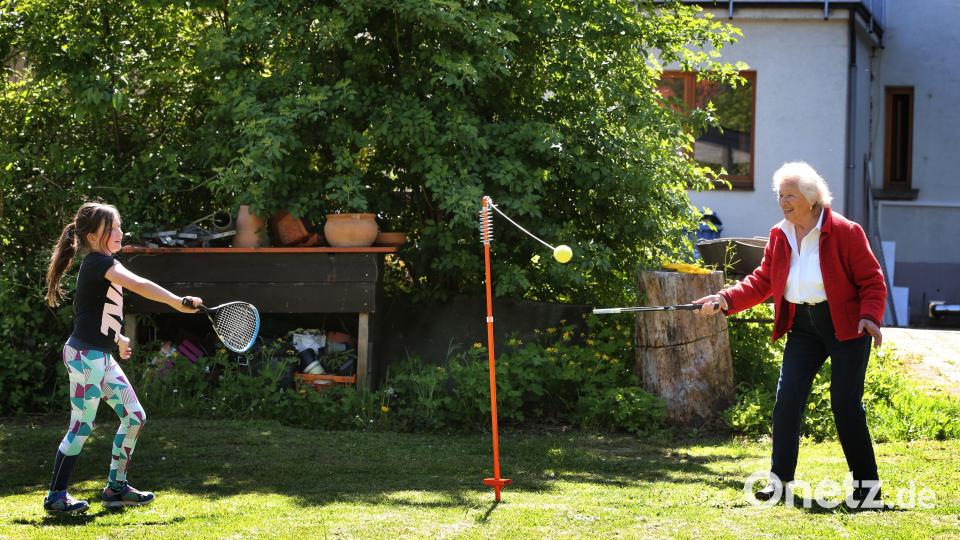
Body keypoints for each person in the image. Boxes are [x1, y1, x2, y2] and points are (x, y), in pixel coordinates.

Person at [693, 162, 887, 508]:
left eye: (790, 195)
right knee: (787, 402)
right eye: (780, 195)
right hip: (803, 327)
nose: (783, 201)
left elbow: (872, 280)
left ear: (811, 198)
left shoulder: (845, 231)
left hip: (846, 325)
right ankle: (779, 483)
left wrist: (870, 316)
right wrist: (724, 299)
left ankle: (866, 491)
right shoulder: (779, 234)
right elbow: (763, 281)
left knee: (845, 406)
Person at [43, 202, 202, 514]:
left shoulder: (103, 265)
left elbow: (92, 313)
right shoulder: (98, 263)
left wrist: (118, 337)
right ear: (91, 237)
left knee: (134, 417)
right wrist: (177, 302)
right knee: (82, 425)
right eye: (111, 228)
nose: (119, 232)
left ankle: (116, 487)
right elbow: (140, 285)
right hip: (84, 357)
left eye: (118, 226)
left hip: (98, 355)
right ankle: (56, 496)